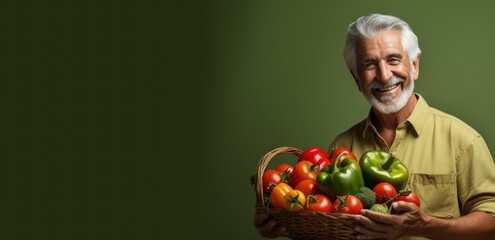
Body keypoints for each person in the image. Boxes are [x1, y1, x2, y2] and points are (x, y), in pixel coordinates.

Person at [254, 13, 495, 240]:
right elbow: (326, 225)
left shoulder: (462, 140)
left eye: (393, 59)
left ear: (414, 66)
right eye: (369, 64)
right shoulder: (341, 148)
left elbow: (491, 223)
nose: (384, 75)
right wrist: (285, 221)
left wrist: (424, 225)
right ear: (356, 78)